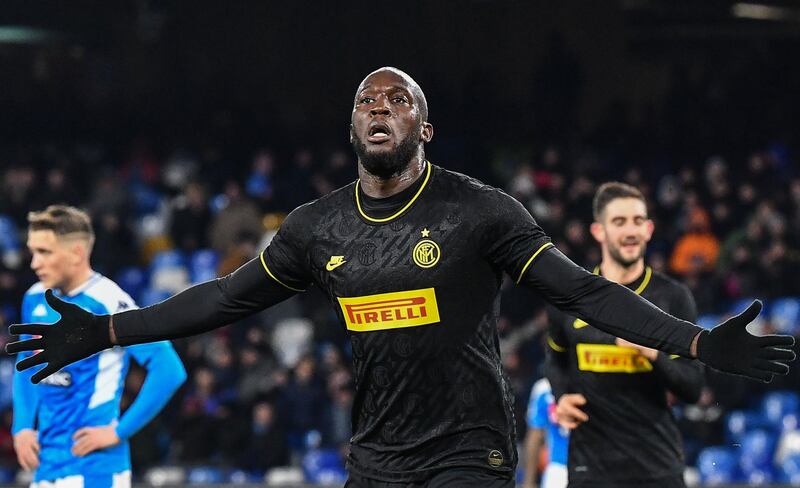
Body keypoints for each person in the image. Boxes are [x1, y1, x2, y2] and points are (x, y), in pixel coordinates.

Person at [7, 68, 795, 488]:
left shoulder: (480, 211)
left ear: (424, 127)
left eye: (399, 100)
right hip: (377, 455)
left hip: (470, 450)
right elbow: (221, 299)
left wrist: (694, 340)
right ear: (353, 128)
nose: (381, 107)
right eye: (367, 101)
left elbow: (581, 291)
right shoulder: (318, 226)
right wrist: (107, 329)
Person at [11, 205, 186, 488]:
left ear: (77, 253)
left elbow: (169, 369)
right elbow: (25, 365)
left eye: (45, 252)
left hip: (95, 469)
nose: (34, 263)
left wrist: (118, 432)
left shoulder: (108, 302)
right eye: (33, 251)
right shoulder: (34, 298)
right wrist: (21, 427)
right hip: (47, 467)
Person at [545, 182, 704, 487]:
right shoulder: (569, 297)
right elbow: (555, 360)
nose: (630, 231)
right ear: (599, 231)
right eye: (619, 222)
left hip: (656, 469)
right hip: (589, 471)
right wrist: (561, 396)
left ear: (649, 229)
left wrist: (652, 353)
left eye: (637, 221)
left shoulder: (672, 298)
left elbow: (693, 387)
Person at [523, 378, 569, 488]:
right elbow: (535, 436)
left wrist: (528, 482)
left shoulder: (544, 388)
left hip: (558, 472)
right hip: (562, 468)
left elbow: (534, 437)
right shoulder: (544, 389)